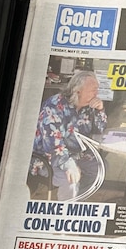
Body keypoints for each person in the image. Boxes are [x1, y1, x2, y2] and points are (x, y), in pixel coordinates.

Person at [31, 70, 107, 200]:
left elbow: (100, 130)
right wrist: (69, 165)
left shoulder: (88, 106)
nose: (96, 94)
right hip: (48, 158)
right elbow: (53, 145)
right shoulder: (54, 106)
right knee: (71, 179)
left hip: (76, 154)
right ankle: (66, 209)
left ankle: (77, 200)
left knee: (101, 168)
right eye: (93, 90)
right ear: (78, 91)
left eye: (97, 89)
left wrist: (100, 110)